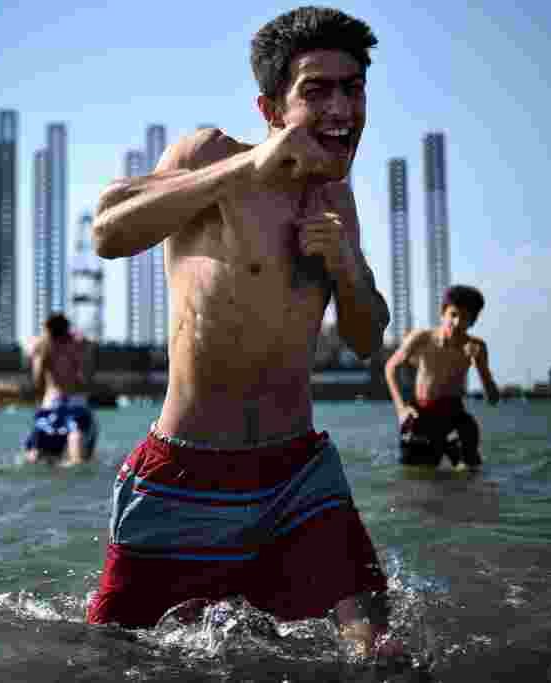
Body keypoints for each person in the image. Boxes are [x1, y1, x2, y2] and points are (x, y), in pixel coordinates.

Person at [85, 6, 401, 659]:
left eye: (353, 86)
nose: (342, 105)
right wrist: (244, 171)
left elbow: (369, 337)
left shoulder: (335, 199)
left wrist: (346, 268)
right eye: (317, 90)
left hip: (299, 472)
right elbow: (108, 229)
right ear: (270, 106)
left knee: (381, 648)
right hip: (184, 473)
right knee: (115, 659)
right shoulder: (212, 156)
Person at [384, 285, 499, 470]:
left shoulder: (477, 346)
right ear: (443, 313)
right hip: (421, 413)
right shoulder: (422, 338)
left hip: (453, 413)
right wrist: (401, 409)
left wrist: (480, 365)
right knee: (418, 477)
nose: (457, 323)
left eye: (465, 318)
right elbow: (390, 368)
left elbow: (492, 399)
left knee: (469, 467)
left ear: (473, 321)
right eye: (453, 315)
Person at [23, 313, 98, 466]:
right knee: (77, 455)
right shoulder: (79, 345)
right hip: (76, 404)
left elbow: (37, 379)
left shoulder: (42, 346)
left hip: (51, 404)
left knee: (35, 455)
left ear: (47, 330)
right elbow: (86, 377)